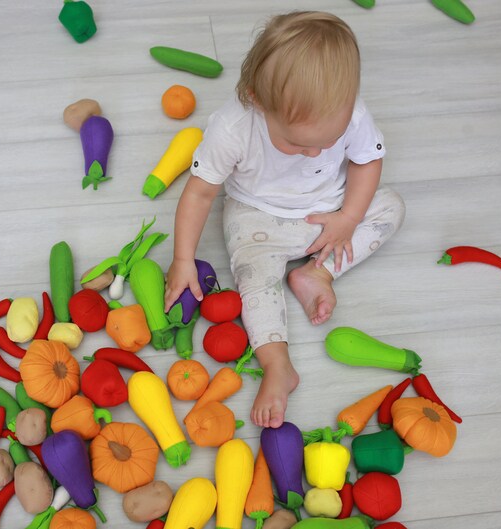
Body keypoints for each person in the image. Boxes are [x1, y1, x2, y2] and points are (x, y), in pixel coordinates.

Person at [163, 11, 406, 429]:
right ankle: (278, 366)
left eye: (327, 143)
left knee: (391, 207)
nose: (315, 154)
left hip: (329, 213)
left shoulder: (352, 115)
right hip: (258, 217)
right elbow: (201, 193)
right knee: (255, 278)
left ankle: (317, 274)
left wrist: (348, 217)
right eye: (297, 143)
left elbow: (368, 162)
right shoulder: (233, 128)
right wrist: (183, 259)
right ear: (258, 99)